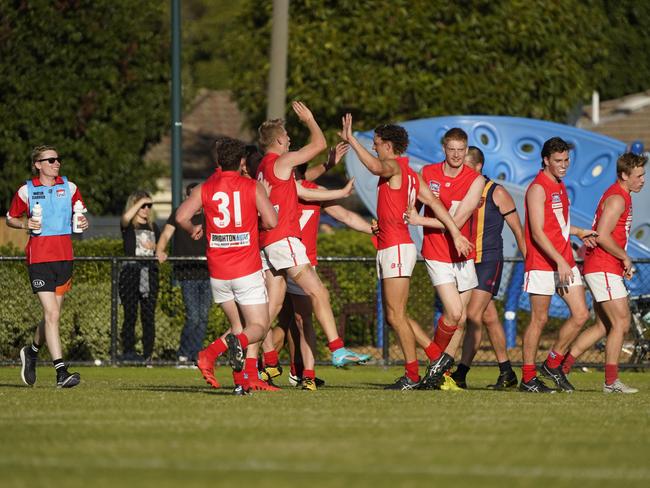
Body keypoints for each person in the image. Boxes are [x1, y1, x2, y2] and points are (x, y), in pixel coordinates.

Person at [340, 114, 473, 390]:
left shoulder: (393, 166)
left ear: (388, 145)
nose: (375, 147)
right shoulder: (411, 173)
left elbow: (376, 166)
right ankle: (431, 360)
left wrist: (352, 139)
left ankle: (418, 370)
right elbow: (436, 204)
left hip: (397, 248)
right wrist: (456, 233)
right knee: (394, 315)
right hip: (393, 245)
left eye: (377, 143)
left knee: (396, 315)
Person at [243, 101, 368, 391]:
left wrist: (340, 191)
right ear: (277, 141)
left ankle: (248, 361)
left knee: (269, 310)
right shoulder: (280, 161)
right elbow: (320, 142)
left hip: (268, 245)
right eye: (286, 137)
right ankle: (337, 349)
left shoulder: (264, 167)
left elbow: (301, 190)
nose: (289, 140)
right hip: (284, 240)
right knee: (318, 292)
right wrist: (310, 118)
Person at [266, 143, 374, 391]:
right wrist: (329, 165)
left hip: (296, 260)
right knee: (279, 320)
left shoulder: (295, 186)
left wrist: (374, 228)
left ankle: (304, 375)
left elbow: (346, 216)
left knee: (299, 321)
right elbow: (305, 181)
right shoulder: (288, 188)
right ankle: (266, 365)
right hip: (286, 255)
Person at [176, 136, 278, 395]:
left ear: (218, 160)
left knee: (237, 326)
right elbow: (272, 221)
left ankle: (241, 383)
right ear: (242, 161)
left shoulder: (204, 188)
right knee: (257, 328)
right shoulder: (251, 186)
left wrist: (194, 228)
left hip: (218, 272)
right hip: (246, 269)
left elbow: (181, 216)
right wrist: (257, 222)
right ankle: (210, 353)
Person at [405, 128, 485, 390]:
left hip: (463, 254)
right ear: (444, 149)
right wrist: (405, 219)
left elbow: (459, 220)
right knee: (454, 312)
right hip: (437, 251)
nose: (456, 154)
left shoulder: (475, 180)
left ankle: (437, 373)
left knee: (460, 320)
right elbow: (410, 209)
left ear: (466, 150)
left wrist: (420, 220)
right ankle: (436, 361)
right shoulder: (427, 173)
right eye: (451, 149)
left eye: (461, 150)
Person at [561, 152, 646, 393]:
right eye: (638, 176)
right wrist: (624, 257)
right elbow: (603, 234)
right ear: (623, 175)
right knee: (622, 322)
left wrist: (621, 262)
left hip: (606, 266)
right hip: (603, 266)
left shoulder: (622, 196)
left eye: (644, 175)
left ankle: (560, 369)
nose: (642, 180)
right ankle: (611, 382)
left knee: (603, 326)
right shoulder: (618, 198)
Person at [519, 137, 597, 393]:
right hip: (543, 263)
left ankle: (552, 364)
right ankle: (528, 378)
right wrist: (561, 260)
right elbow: (538, 233)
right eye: (558, 161)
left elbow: (557, 226)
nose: (564, 165)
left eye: (566, 160)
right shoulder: (537, 188)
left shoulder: (559, 185)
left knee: (581, 314)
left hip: (562, 260)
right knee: (539, 319)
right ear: (545, 160)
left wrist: (577, 231)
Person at [7, 145, 88, 388]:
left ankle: (31, 351)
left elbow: (80, 215)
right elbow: (11, 217)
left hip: (64, 259)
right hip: (39, 258)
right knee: (52, 314)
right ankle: (61, 372)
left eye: (58, 159)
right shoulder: (26, 190)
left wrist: (83, 221)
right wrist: (24, 225)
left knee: (52, 315)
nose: (56, 163)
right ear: (38, 165)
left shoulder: (70, 187)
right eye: (50, 160)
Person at [449, 146, 526, 389]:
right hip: (466, 261)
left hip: (488, 260)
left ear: (479, 167)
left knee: (472, 315)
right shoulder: (461, 190)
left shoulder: (496, 191)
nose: (461, 170)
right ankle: (507, 372)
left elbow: (517, 228)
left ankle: (460, 373)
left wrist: (530, 263)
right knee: (489, 317)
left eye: (466, 166)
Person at [156, 183, 211, 366]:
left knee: (203, 317)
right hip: (187, 271)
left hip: (206, 271)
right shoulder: (178, 214)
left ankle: (196, 356)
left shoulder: (209, 215)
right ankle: (184, 354)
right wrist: (160, 250)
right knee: (193, 315)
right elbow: (165, 235)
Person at [119, 190, 160, 363]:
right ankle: (128, 353)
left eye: (148, 205)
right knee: (130, 315)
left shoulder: (153, 227)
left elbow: (159, 249)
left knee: (148, 316)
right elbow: (125, 218)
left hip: (149, 273)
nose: (146, 209)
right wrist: (140, 201)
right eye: (143, 205)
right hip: (130, 273)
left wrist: (156, 248)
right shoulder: (129, 226)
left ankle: (147, 354)